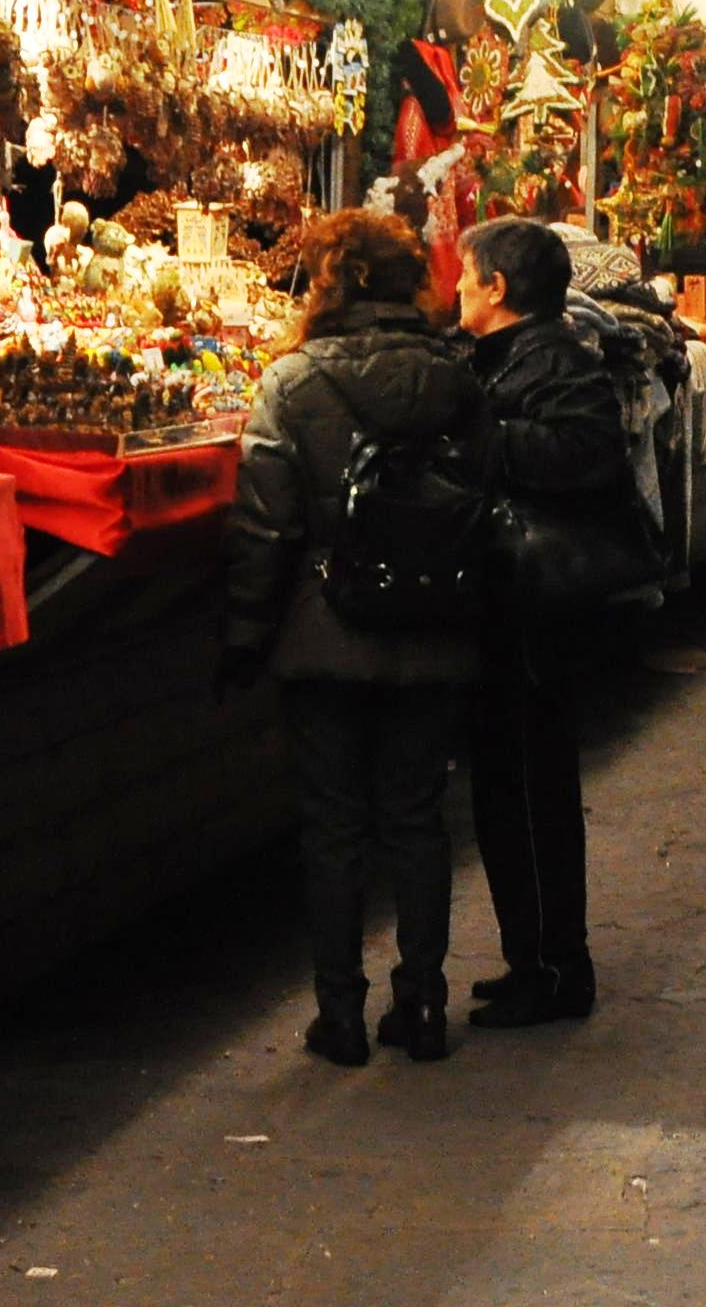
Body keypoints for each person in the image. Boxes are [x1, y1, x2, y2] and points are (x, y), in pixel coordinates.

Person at [218, 210, 488, 1066]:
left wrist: (244, 639)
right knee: (416, 820)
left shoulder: (293, 382)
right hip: (436, 627)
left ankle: (339, 1016)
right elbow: (483, 497)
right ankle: (424, 1007)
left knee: (332, 828)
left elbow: (265, 529)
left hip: (324, 631)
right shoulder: (459, 377)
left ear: (332, 283)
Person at [451, 213, 628, 1028]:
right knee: (505, 789)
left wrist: (482, 440)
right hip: (512, 610)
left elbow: (582, 456)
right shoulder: (508, 355)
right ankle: (533, 956)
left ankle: (557, 970)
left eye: (466, 274)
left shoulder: (558, 360)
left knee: (530, 792)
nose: (454, 286)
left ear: (498, 287)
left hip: (537, 614)